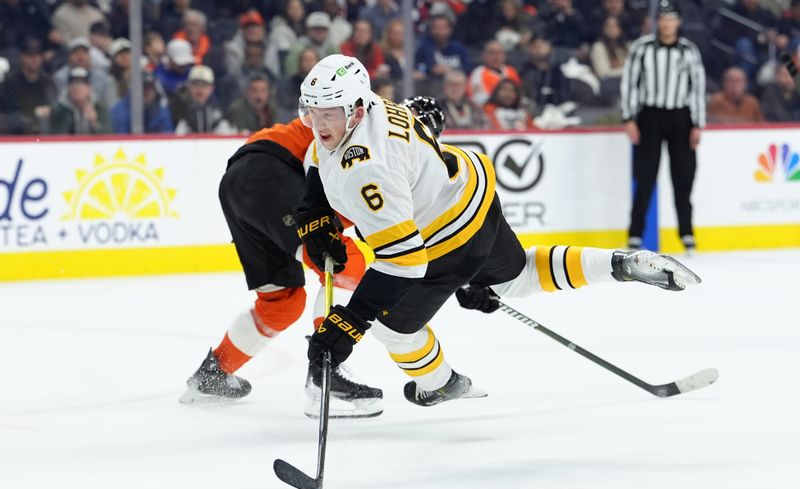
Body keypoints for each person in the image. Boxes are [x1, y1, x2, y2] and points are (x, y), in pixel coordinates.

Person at [294, 54, 701, 407]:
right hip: (473, 195)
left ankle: (440, 383)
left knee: (391, 328)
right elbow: (320, 154)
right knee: (519, 277)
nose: (318, 123)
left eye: (328, 113)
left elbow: (405, 261)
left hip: (443, 238)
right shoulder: (367, 108)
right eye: (311, 111)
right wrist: (315, 212)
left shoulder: (366, 169)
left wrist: (352, 322)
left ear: (356, 111)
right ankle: (620, 263)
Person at [181, 117, 384, 418]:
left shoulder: (374, 133)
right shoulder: (375, 132)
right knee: (345, 262)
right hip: (271, 174)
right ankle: (325, 369)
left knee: (282, 302)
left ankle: (213, 375)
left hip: (241, 184)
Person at [620, 0, 705, 252]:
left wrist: (697, 123)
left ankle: (686, 232)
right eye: (663, 18)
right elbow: (629, 83)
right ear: (657, 21)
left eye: (671, 18)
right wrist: (629, 118)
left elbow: (697, 88)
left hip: (681, 116)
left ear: (679, 22)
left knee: (683, 175)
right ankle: (635, 233)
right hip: (650, 115)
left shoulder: (688, 50)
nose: (667, 23)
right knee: (645, 176)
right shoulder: (642, 48)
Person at [171, 65, 234, 134]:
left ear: (211, 88)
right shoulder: (178, 109)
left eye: (204, 85)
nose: (199, 89)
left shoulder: (220, 110)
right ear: (189, 86)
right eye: (195, 84)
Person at [50, 66, 111, 134]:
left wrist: (94, 123)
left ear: (89, 88)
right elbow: (57, 136)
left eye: (81, 83)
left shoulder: (99, 108)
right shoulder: (59, 109)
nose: (76, 87)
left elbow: (109, 135)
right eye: (73, 83)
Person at [467, 40, 522, 107]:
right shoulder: (478, 73)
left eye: (500, 53)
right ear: (484, 55)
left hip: (514, 109)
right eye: (492, 53)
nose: (497, 57)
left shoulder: (511, 71)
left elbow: (519, 94)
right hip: (490, 110)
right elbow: (478, 100)